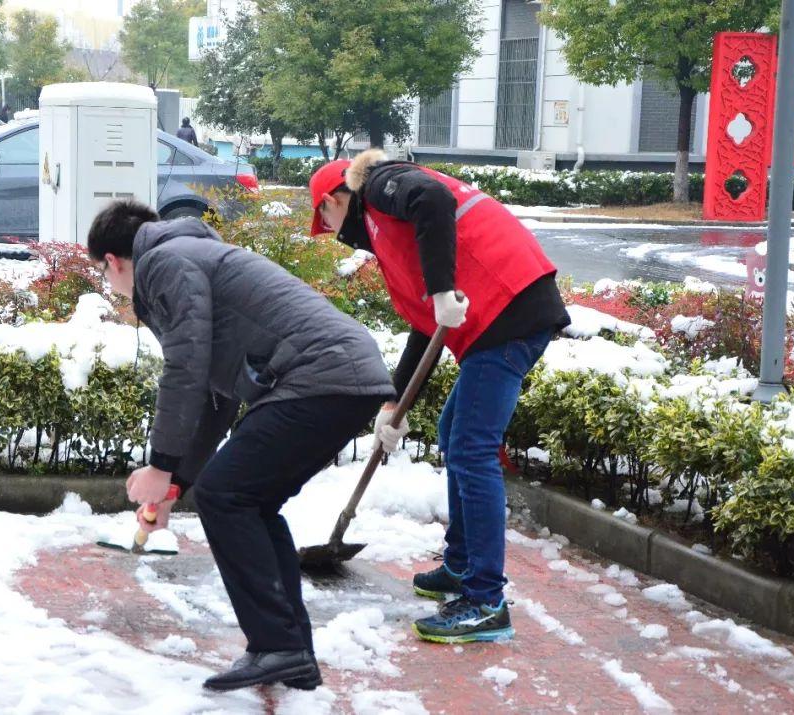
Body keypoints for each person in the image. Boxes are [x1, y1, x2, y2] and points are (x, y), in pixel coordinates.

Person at [87, 200, 395, 690]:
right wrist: (176, 483)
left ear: (113, 261)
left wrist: (161, 465)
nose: (115, 289)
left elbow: (184, 366)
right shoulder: (189, 255)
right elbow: (217, 398)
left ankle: (279, 646)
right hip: (339, 376)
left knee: (227, 495)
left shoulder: (165, 263)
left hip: (321, 375)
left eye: (106, 278)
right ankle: (289, 648)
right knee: (247, 500)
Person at [309, 150, 570, 645]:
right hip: (504, 313)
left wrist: (444, 288)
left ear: (336, 197)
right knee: (455, 432)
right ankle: (461, 564)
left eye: (326, 216)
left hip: (509, 309)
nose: (333, 230)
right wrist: (393, 403)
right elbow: (423, 326)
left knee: (471, 446)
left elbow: (432, 198)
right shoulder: (392, 237)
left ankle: (485, 602)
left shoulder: (381, 185)